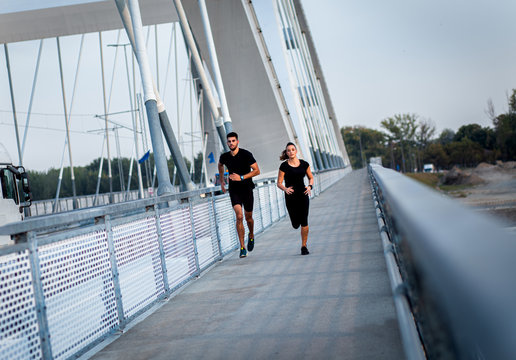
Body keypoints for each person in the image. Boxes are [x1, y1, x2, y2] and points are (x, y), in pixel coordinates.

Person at [218, 132, 260, 258]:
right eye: (229, 141)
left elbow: (257, 171)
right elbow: (220, 165)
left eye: (233, 141)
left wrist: (241, 177)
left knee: (248, 218)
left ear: (237, 142)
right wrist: (222, 181)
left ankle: (251, 235)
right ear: (227, 143)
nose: (231, 143)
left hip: (247, 189)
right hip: (234, 191)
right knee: (239, 216)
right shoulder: (225, 156)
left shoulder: (246, 154)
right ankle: (242, 247)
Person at [277, 142, 314, 255]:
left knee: (304, 221)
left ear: (296, 151)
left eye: (293, 149)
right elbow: (279, 183)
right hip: (291, 196)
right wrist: (285, 189)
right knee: (295, 224)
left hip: (303, 195)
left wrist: (309, 186)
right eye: (288, 150)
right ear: (286, 153)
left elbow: (311, 177)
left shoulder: (304, 164)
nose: (291, 152)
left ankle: (304, 246)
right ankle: (295, 223)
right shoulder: (284, 166)